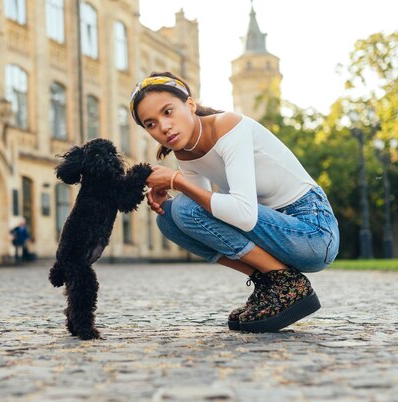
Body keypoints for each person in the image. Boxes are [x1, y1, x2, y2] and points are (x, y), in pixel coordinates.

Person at [130, 72, 339, 333]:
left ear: (191, 105)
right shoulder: (185, 153)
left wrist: (176, 181)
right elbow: (197, 217)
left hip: (313, 233)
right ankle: (269, 280)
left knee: (183, 207)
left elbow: (244, 215)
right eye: (151, 124)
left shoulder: (228, 126)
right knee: (169, 218)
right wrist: (172, 189)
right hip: (274, 233)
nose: (163, 126)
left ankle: (286, 283)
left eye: (168, 111)